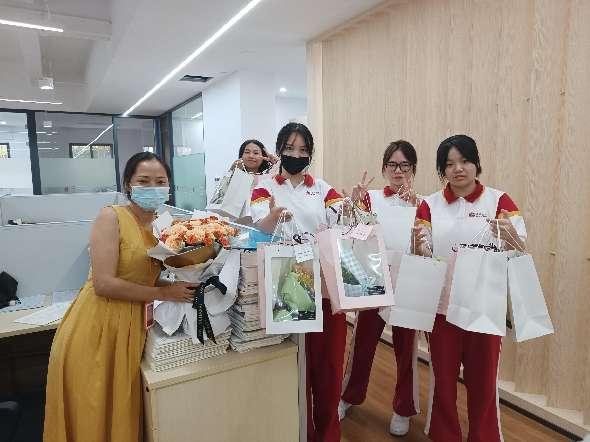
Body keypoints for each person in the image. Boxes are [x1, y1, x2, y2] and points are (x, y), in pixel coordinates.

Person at [44, 152, 197, 442]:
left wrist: (181, 286)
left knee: (118, 410)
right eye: (144, 181)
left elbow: (143, 276)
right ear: (128, 184)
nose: (153, 188)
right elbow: (104, 283)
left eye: (160, 182)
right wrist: (164, 292)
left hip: (130, 325)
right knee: (92, 410)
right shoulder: (111, 216)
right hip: (98, 326)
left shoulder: (161, 225)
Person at [413, 135, 526, 442]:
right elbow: (423, 250)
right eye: (449, 164)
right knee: (443, 379)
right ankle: (445, 435)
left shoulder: (500, 201)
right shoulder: (429, 205)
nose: (458, 169)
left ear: (476, 164)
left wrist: (510, 236)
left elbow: (518, 247)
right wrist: (420, 249)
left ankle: (484, 436)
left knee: (484, 382)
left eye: (464, 161)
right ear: (442, 170)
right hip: (443, 309)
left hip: (484, 308)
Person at [250, 123, 346, 442]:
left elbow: (342, 218)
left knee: (329, 367)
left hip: (325, 287)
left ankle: (328, 433)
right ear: (279, 150)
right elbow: (260, 225)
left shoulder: (323, 188)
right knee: (296, 366)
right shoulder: (264, 186)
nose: (296, 155)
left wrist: (354, 205)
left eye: (303, 150)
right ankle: (301, 431)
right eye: (290, 148)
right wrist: (274, 216)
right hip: (286, 285)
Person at [339, 140, 421, 436]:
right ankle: (349, 395)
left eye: (405, 165)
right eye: (393, 165)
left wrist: (416, 206)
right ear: (384, 168)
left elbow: (428, 242)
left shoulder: (423, 203)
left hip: (408, 281)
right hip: (373, 278)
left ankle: (403, 408)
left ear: (413, 169)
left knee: (406, 349)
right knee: (362, 342)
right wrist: (353, 206)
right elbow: (352, 233)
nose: (398, 171)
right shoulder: (371, 198)